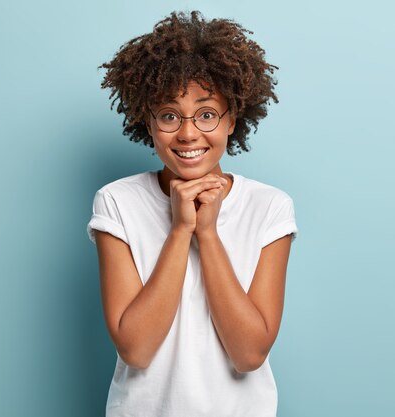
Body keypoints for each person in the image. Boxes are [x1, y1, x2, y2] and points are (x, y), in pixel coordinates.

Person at [87, 10, 298, 417]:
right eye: (169, 115)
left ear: (231, 120)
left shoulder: (270, 207)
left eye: (206, 114)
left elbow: (249, 353)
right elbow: (136, 348)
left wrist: (209, 233)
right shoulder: (117, 202)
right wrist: (181, 229)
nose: (187, 133)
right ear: (147, 122)